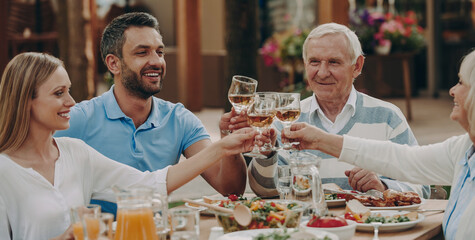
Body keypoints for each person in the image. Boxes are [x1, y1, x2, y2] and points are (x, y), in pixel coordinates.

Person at [0, 52, 257, 240]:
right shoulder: (5, 172)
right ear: (26, 102)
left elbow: (148, 184)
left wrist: (223, 147)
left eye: (69, 90)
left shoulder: (75, 153)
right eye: (58, 93)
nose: (71, 101)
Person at [55, 12, 249, 213]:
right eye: (142, 52)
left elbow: (231, 189)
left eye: (160, 52)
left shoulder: (179, 120)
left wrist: (230, 142)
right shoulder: (79, 119)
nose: (156, 61)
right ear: (114, 64)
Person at [281, 49, 475, 240]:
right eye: (314, 62)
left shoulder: (387, 114)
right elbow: (402, 159)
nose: (452, 90)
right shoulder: (463, 148)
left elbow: (414, 179)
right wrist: (320, 140)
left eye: (460, 82)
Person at [220, 23, 429, 198]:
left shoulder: (387, 117)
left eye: (333, 62)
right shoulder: (286, 119)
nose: (322, 72)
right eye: (314, 62)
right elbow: (264, 191)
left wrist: (383, 187)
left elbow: (422, 187)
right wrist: (266, 155)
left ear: (357, 66)